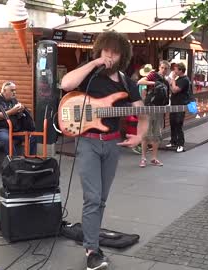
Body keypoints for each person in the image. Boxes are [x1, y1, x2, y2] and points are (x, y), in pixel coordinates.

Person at [60, 31, 148, 270]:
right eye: (105, 50)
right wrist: (95, 63)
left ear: (123, 56)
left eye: (114, 51)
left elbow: (143, 113)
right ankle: (92, 251)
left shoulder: (127, 83)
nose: (109, 55)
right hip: (88, 141)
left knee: (101, 200)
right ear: (99, 50)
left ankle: (92, 241)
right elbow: (66, 84)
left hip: (112, 144)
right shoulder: (90, 74)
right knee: (92, 199)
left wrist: (139, 135)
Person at [0, 81, 36, 155]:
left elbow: (19, 113)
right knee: (7, 139)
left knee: (33, 135)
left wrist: (22, 109)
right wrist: (12, 111)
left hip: (14, 129)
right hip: (0, 129)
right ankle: (14, 162)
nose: (14, 92)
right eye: (12, 90)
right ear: (4, 91)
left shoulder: (13, 100)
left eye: (15, 90)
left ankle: (31, 160)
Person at [137, 60, 170, 167]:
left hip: (159, 109)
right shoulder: (153, 75)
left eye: (166, 68)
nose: (164, 70)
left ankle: (154, 158)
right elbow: (140, 81)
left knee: (157, 135)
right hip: (149, 108)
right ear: (159, 67)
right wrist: (153, 83)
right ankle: (143, 158)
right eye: (162, 68)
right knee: (146, 134)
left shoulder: (166, 81)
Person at [166, 62, 191, 153]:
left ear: (180, 70)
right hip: (174, 104)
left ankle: (180, 144)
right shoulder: (178, 78)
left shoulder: (185, 79)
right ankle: (173, 141)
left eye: (176, 69)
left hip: (181, 105)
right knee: (172, 122)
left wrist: (172, 80)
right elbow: (173, 89)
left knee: (178, 123)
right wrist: (172, 81)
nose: (174, 71)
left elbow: (175, 90)